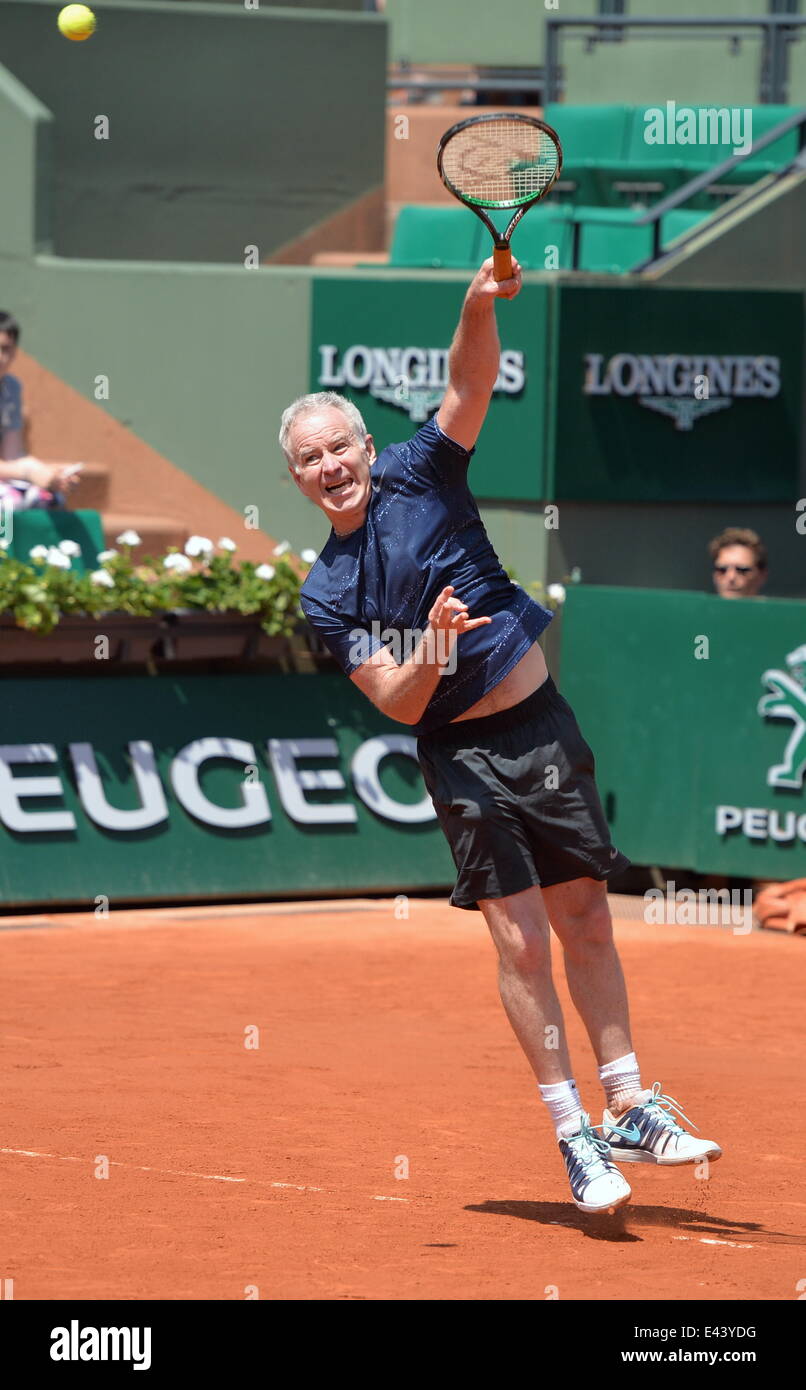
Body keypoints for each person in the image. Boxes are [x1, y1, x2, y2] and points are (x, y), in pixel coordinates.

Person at [280, 258, 721, 1215]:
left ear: (364, 442)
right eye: (308, 460)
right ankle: (575, 1140)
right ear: (297, 478)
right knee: (521, 946)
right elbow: (398, 703)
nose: (329, 467)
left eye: (337, 447)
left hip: (541, 727)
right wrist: (433, 650)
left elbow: (469, 383)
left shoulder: (421, 466)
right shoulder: (324, 590)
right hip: (461, 758)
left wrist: (477, 301)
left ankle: (632, 1106)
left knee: (589, 920)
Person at [0, 311, 83, 510]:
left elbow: (12, 455)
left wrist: (48, 472)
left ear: (15, 352)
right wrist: (28, 472)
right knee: (10, 503)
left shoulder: (11, 388)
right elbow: (20, 468)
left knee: (48, 498)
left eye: (5, 349)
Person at [709, 526, 767, 599]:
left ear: (762, 576)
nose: (731, 577)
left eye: (742, 570)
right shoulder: (698, 609)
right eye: (722, 570)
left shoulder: (773, 610)